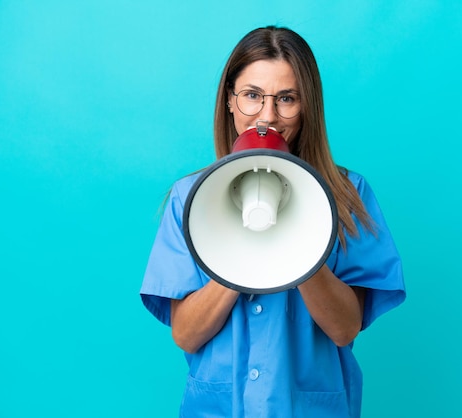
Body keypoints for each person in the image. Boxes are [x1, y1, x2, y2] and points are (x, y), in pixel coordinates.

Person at [140, 26, 406, 418]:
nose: (267, 116)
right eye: (251, 96)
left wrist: (296, 239)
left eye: (287, 99)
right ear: (229, 101)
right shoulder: (190, 197)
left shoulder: (349, 195)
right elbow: (186, 333)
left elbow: (345, 328)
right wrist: (242, 251)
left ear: (307, 106)